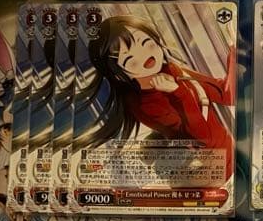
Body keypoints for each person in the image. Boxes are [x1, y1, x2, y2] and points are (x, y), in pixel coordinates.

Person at [76, 15, 236, 177]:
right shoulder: (145, 104)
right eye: (130, 58)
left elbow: (226, 94)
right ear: (118, 74)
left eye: (146, 43)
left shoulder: (171, 70)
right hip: (214, 173)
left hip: (232, 155)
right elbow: (204, 138)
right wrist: (178, 92)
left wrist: (234, 47)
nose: (145, 55)